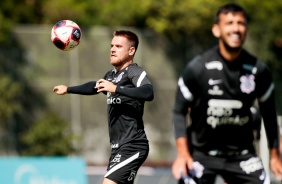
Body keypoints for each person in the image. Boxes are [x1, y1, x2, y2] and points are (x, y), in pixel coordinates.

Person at [171, 3, 282, 184]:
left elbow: (269, 114)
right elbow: (178, 111)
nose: (236, 28)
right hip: (202, 155)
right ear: (216, 30)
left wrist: (275, 155)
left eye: (241, 23)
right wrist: (182, 154)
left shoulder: (258, 70)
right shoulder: (198, 68)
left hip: (242, 155)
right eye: (229, 23)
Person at [53, 30, 154, 184]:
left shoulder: (133, 71)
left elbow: (148, 91)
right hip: (117, 148)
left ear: (131, 50)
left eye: (118, 46)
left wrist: (116, 89)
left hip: (133, 145)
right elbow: (93, 86)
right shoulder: (111, 75)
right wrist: (68, 89)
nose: (112, 49)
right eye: (111, 46)